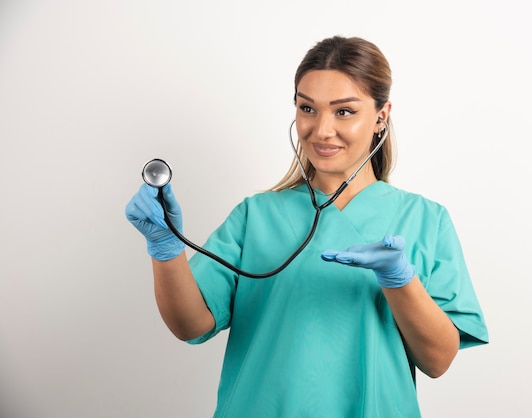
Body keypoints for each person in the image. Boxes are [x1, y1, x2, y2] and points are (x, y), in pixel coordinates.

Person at [126, 35, 488, 417]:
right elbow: (190, 324)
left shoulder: (426, 220)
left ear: (381, 116)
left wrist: (401, 281)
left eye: (344, 111)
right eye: (307, 108)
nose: (321, 130)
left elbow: (438, 361)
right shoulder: (257, 216)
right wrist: (166, 249)